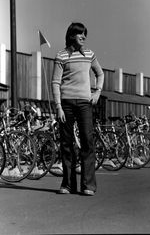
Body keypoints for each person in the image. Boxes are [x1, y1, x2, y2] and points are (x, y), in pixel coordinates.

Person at [51, 22, 104, 196]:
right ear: (71, 36)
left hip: (84, 104)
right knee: (66, 144)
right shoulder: (61, 55)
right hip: (65, 104)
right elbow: (56, 82)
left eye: (85, 34)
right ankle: (68, 185)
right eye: (80, 34)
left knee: (87, 142)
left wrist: (97, 92)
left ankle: (88, 185)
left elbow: (100, 73)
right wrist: (58, 107)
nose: (84, 37)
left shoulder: (90, 54)